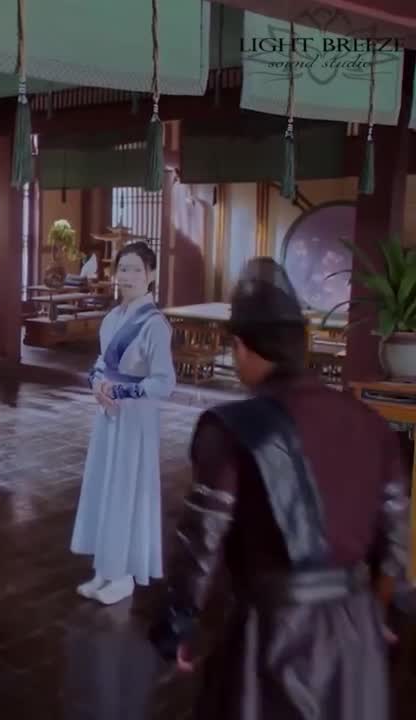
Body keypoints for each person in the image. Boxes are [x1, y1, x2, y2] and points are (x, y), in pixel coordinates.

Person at [150, 257, 410, 720]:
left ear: (240, 346)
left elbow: (201, 541)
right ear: (301, 343)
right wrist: (379, 613)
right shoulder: (371, 424)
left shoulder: (229, 428)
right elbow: (395, 538)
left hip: (272, 633)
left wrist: (178, 622)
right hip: (355, 631)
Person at [70, 241, 175, 605]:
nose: (127, 276)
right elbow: (101, 363)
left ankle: (124, 574)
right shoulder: (112, 318)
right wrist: (97, 383)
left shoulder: (155, 325)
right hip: (108, 413)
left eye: (136, 269)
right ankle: (105, 568)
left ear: (151, 274)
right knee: (105, 486)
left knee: (128, 490)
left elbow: (164, 382)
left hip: (135, 419)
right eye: (123, 269)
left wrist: (123, 391)